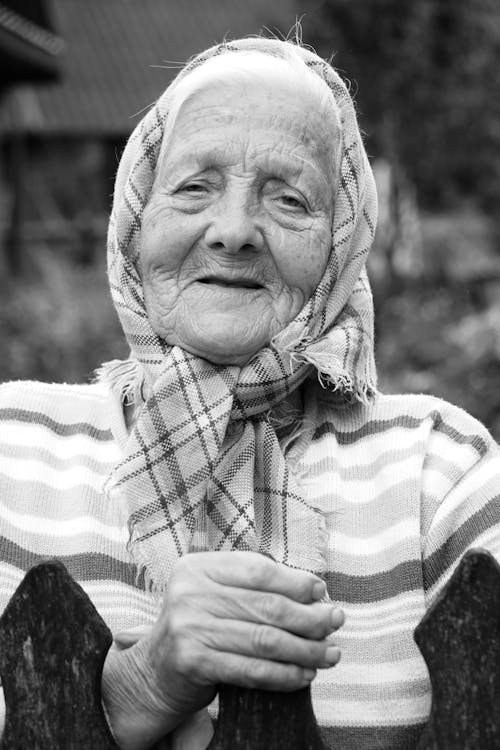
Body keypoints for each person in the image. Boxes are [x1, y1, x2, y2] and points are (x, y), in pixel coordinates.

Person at [0, 35, 499, 750]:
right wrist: (135, 689)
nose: (233, 231)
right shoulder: (11, 447)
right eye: (194, 187)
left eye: (289, 198)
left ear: (339, 247)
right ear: (135, 225)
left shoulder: (439, 472)